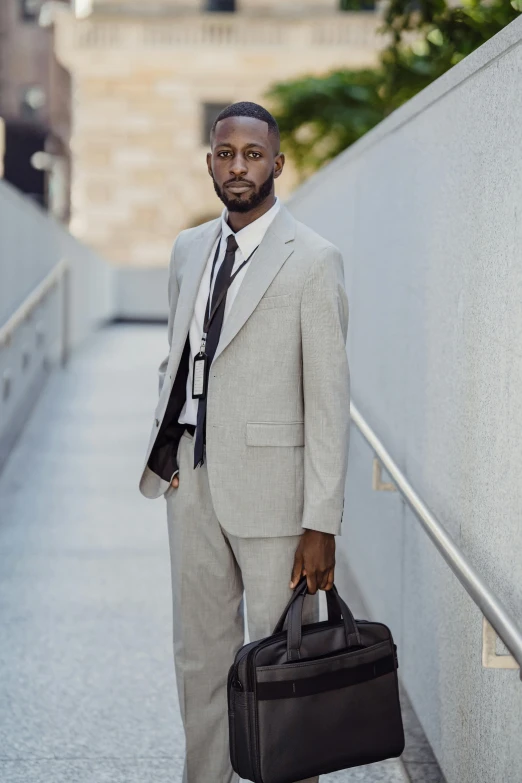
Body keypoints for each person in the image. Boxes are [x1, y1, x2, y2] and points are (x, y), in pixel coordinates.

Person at [139, 101, 350, 783]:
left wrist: (321, 521)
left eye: (252, 154)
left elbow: (328, 401)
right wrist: (169, 449)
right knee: (199, 658)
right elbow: (179, 357)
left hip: (276, 499)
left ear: (278, 164)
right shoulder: (187, 249)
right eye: (225, 153)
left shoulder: (314, 261)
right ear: (209, 162)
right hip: (191, 484)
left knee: (283, 664)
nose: (238, 166)